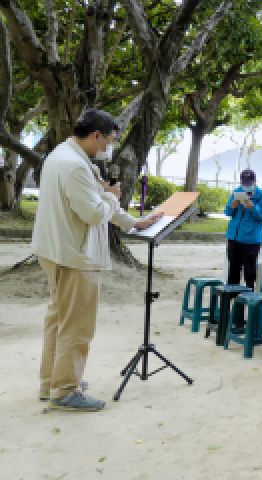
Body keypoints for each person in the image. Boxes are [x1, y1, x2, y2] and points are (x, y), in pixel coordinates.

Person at [31, 108, 163, 411]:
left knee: (58, 319)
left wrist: (133, 222)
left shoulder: (62, 155)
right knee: (76, 325)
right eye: (111, 139)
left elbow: (95, 200)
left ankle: (51, 381)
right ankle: (66, 389)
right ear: (96, 136)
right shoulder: (75, 166)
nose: (110, 145)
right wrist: (112, 196)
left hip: (56, 250)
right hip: (74, 255)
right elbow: (93, 212)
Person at [225, 169, 262, 290]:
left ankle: (249, 293)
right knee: (233, 268)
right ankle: (232, 293)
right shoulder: (237, 192)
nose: (246, 186)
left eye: (249, 183)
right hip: (234, 236)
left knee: (249, 269)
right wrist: (232, 206)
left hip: (251, 239)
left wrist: (253, 207)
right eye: (244, 183)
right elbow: (228, 212)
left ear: (255, 181)